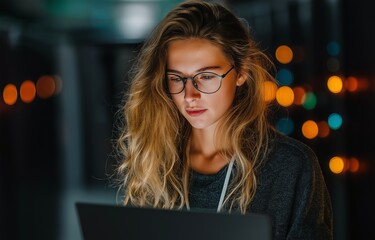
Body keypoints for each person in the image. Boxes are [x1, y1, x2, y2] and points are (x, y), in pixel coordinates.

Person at [115, 1, 333, 239]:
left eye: (206, 76)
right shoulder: (153, 159)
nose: (190, 96)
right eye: (177, 78)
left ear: (241, 72)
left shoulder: (290, 166)